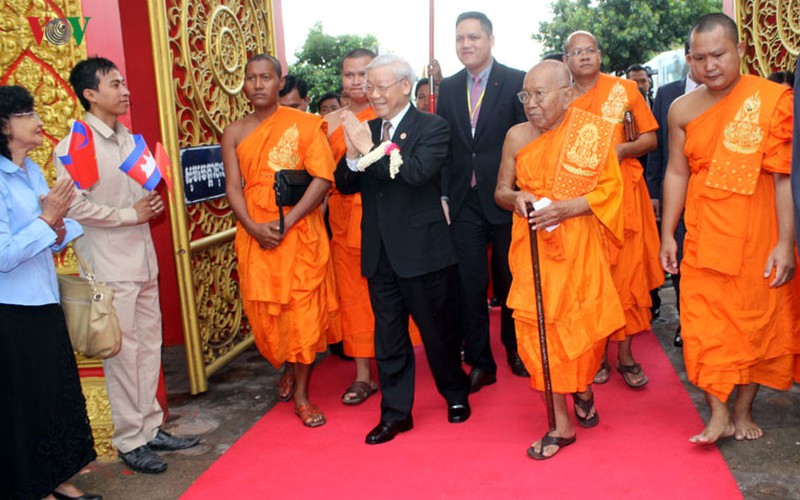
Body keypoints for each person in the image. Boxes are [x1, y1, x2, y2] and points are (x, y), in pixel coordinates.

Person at [54, 57, 199, 474]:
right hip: (110, 265)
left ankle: (151, 426)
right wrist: (128, 215)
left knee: (149, 347)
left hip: (143, 260)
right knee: (123, 353)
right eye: (114, 84)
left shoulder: (129, 139)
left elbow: (145, 193)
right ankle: (130, 439)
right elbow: (73, 206)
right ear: (90, 94)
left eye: (123, 82)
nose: (125, 90)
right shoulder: (77, 143)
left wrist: (149, 204)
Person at [660, 13, 799, 444]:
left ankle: (743, 409)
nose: (710, 65)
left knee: (754, 325)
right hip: (705, 236)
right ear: (690, 60)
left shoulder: (773, 99)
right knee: (702, 325)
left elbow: (784, 178)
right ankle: (718, 413)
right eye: (699, 58)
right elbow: (677, 172)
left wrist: (785, 244)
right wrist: (667, 233)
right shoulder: (681, 109)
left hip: (759, 234)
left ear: (740, 50)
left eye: (718, 55)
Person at [335, 54, 470, 445]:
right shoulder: (366, 128)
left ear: (405, 86)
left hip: (423, 250)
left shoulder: (432, 127)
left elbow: (414, 173)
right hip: (379, 252)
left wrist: (370, 150)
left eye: (380, 87)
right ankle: (396, 413)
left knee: (438, 331)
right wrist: (354, 154)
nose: (372, 94)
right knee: (389, 338)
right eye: (368, 87)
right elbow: (345, 183)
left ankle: (455, 392)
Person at [495, 61, 625, 460]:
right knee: (538, 333)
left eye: (540, 94)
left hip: (579, 245)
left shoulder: (591, 133)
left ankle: (581, 386)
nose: (531, 103)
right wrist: (517, 198)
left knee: (582, 328)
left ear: (567, 96)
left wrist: (567, 208)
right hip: (533, 246)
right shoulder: (516, 136)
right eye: (526, 95)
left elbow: (610, 191)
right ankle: (560, 425)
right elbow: (500, 190)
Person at [221, 54, 338, 428]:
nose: (258, 84)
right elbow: (233, 187)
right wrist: (253, 227)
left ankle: (302, 395)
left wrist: (289, 222)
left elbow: (322, 178)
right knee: (268, 315)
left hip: (298, 232)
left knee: (302, 313)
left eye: (266, 77)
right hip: (256, 232)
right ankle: (288, 366)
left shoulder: (305, 124)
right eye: (251, 78)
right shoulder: (234, 131)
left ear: (279, 82)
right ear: (243, 84)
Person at [1, 85, 101, 500]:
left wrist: (57, 228)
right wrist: (46, 220)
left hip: (44, 301)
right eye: (27, 114)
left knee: (53, 396)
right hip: (11, 310)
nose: (38, 120)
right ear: (3, 126)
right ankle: (32, 486)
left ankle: (57, 477)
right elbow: (4, 255)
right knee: (23, 404)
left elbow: (51, 235)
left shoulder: (31, 171)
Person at [564, 31, 663, 388]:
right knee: (591, 278)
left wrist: (618, 151)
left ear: (600, 54)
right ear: (566, 60)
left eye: (590, 50)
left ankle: (625, 355)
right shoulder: (562, 97)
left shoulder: (625, 90)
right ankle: (596, 356)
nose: (584, 56)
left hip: (625, 196)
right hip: (582, 201)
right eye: (577, 52)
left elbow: (650, 138)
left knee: (628, 277)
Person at [437, 11, 529, 392]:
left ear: (490, 40)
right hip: (464, 200)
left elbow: (528, 139)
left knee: (511, 279)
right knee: (469, 283)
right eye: (460, 38)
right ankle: (480, 360)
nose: (466, 44)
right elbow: (444, 146)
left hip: (506, 196)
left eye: (473, 37)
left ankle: (516, 348)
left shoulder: (516, 81)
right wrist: (444, 193)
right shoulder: (448, 88)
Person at [324, 48, 382, 405]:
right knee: (354, 299)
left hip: (383, 219)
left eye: (364, 74)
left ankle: (393, 366)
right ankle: (363, 376)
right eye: (350, 75)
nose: (357, 81)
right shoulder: (330, 123)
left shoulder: (390, 115)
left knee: (387, 298)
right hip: (344, 221)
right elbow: (322, 174)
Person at [646, 44, 700, 348]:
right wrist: (654, 191)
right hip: (675, 189)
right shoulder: (668, 95)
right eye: (699, 56)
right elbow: (657, 148)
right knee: (679, 258)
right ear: (688, 57)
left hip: (714, 193)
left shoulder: (732, 95)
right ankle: (686, 320)